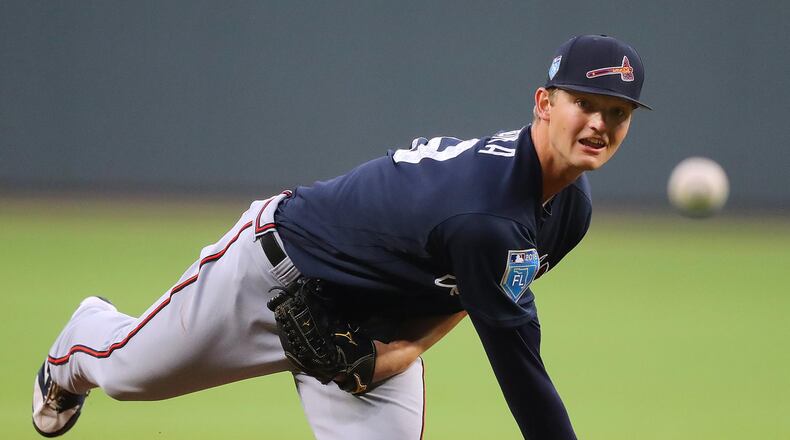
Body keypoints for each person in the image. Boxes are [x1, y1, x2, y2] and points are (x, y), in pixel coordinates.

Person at [32, 34, 649, 439]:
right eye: (584, 103)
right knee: (131, 376)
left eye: (617, 112)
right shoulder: (488, 216)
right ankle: (79, 341)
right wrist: (403, 351)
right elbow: (522, 370)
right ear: (544, 102)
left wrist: (398, 352)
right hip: (275, 272)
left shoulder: (568, 208)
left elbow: (477, 292)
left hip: (376, 324)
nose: (599, 122)